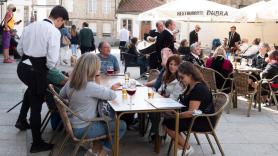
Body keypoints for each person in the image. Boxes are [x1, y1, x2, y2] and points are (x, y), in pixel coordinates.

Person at [15, 5, 68, 153]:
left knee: (32, 92)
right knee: (36, 106)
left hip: (23, 68)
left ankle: (21, 120)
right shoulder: (53, 31)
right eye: (62, 22)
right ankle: (36, 143)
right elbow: (52, 60)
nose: (61, 25)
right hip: (36, 71)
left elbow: (19, 50)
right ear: (59, 19)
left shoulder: (30, 26)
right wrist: (49, 68)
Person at [59, 53, 126, 156]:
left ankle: (95, 150)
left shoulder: (71, 82)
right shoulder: (90, 87)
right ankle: (102, 153)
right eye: (97, 67)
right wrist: (98, 77)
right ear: (93, 69)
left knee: (106, 121)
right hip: (84, 128)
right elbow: (112, 95)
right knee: (121, 125)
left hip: (73, 123)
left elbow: (61, 95)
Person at [163, 61, 216, 156]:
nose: (181, 80)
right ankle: (182, 147)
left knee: (168, 123)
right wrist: (173, 112)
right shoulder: (191, 86)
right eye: (179, 78)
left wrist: (176, 116)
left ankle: (187, 147)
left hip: (202, 120)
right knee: (167, 119)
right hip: (196, 117)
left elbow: (192, 112)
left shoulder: (199, 89)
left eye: (182, 77)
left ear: (190, 75)